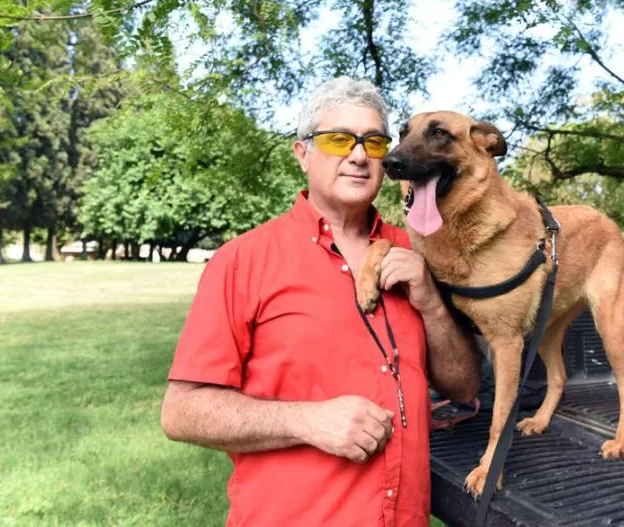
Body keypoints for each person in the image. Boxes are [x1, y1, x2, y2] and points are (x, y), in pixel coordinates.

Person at [160, 77, 482, 527]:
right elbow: (180, 411)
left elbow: (465, 388)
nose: (357, 155)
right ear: (302, 154)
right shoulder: (243, 261)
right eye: (337, 139)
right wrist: (306, 421)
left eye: (373, 142)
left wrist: (429, 303)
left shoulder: (417, 252)